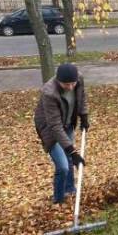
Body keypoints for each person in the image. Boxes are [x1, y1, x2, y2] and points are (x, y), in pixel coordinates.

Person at [34, 63, 90, 204]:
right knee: (63, 166)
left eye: (73, 83)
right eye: (66, 85)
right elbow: (55, 126)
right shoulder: (49, 93)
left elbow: (81, 97)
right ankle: (58, 200)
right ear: (58, 81)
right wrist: (73, 151)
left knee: (70, 159)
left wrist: (84, 116)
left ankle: (70, 189)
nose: (70, 87)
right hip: (50, 128)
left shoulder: (79, 79)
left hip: (67, 123)